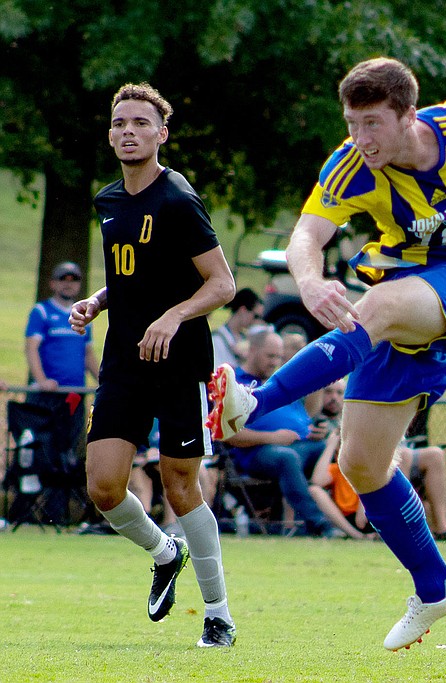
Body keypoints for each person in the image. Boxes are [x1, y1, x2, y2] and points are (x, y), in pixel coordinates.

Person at [207, 42, 446, 650]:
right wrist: (307, 278)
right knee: (361, 464)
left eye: (372, 123)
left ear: (409, 115)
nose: (361, 138)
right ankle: (437, 587)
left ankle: (255, 402)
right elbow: (307, 233)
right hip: (401, 298)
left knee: (373, 307)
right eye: (351, 124)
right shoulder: (351, 164)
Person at [69, 82, 236, 648]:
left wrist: (173, 317)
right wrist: (98, 300)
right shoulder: (109, 201)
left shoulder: (178, 200)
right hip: (122, 360)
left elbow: (222, 284)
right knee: (104, 487)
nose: (128, 131)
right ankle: (166, 554)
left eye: (140, 123)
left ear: (162, 134)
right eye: (119, 123)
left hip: (179, 361)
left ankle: (219, 615)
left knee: (179, 484)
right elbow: (131, 275)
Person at [225, 328, 339, 536]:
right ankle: (319, 524)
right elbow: (226, 434)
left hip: (301, 444)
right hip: (257, 453)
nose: (275, 361)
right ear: (252, 351)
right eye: (270, 356)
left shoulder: (279, 381)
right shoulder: (234, 382)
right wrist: (274, 437)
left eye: (278, 356)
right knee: (287, 458)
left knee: (340, 449)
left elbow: (306, 414)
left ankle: (359, 519)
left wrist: (313, 430)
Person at [25, 261, 100, 453]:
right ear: (53, 283)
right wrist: (41, 381)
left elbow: (87, 354)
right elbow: (31, 348)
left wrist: (103, 381)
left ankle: (66, 481)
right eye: (63, 279)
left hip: (74, 393)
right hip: (49, 393)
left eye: (74, 280)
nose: (69, 284)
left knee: (71, 443)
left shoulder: (84, 315)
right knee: (45, 443)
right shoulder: (42, 312)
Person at [397, 443, 446, 542]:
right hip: (378, 455)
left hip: (406, 451)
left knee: (435, 454)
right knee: (402, 455)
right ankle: (401, 527)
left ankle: (442, 529)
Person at [211, 287, 263, 368]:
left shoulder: (246, 339)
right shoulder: (217, 338)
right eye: (255, 316)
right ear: (243, 310)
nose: (257, 322)